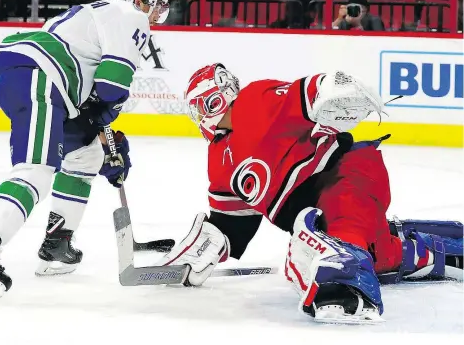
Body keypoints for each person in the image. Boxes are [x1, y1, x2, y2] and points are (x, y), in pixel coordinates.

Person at [157, 64, 463, 324]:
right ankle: (437, 247)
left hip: (345, 175)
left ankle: (344, 285)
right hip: (319, 216)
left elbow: (306, 93)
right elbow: (232, 223)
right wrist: (198, 254)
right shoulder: (218, 158)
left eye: (200, 105)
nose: (197, 115)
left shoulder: (254, 100)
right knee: (379, 255)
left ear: (217, 99)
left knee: (339, 240)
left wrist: (335, 88)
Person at [0, 0, 170, 298]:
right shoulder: (131, 15)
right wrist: (106, 116)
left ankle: (57, 244)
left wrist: (104, 139)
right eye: (156, 5)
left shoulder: (96, 17)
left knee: (87, 154)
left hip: (44, 83)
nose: (157, 15)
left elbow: (94, 96)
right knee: (36, 169)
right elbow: (110, 85)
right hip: (41, 80)